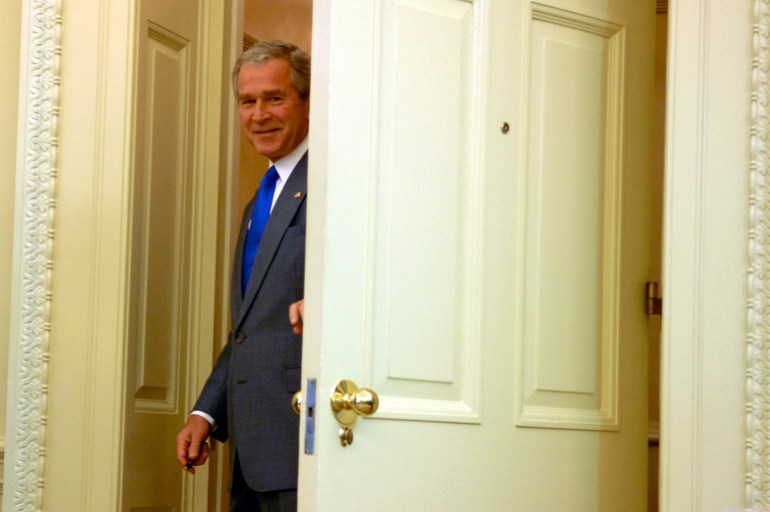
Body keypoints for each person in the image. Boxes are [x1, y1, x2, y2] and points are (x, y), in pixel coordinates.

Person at [175, 39, 310, 512]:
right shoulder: (259, 202)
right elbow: (248, 330)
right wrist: (205, 412)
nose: (259, 115)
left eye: (275, 98)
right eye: (247, 102)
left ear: (307, 100)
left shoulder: (336, 180)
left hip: (305, 446)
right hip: (251, 458)